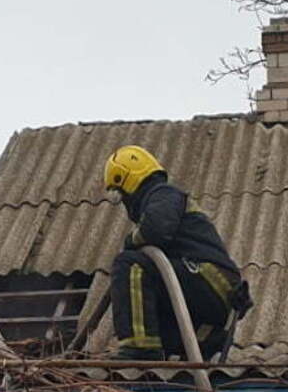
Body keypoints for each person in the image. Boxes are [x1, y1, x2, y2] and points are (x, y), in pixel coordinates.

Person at [101, 146, 251, 361]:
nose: (124, 201)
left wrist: (129, 241)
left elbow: (155, 230)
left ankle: (139, 348)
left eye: (120, 193)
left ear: (127, 179)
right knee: (153, 319)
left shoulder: (163, 193)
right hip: (212, 294)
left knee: (129, 265)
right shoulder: (163, 199)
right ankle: (205, 338)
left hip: (210, 279)